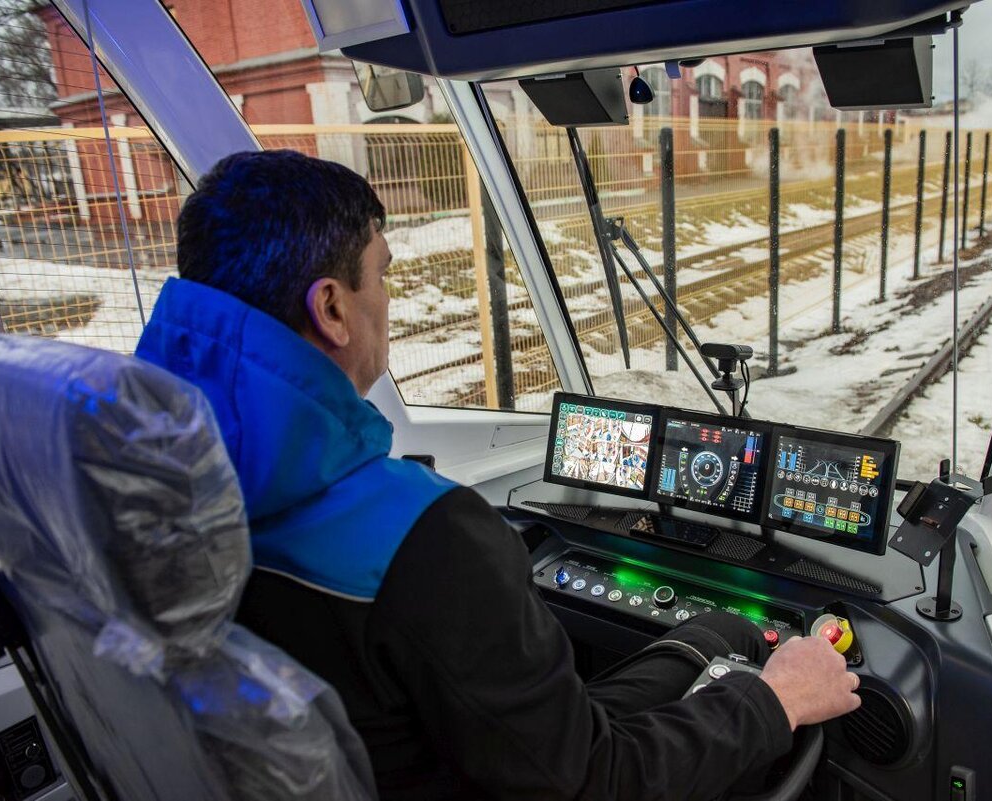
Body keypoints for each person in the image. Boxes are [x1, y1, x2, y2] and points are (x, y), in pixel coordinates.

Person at [136, 150, 861, 801]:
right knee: (769, 696)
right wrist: (778, 700)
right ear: (331, 308)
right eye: (382, 273)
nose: (387, 298)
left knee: (723, 628)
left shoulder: (140, 478)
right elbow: (590, 782)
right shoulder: (426, 537)